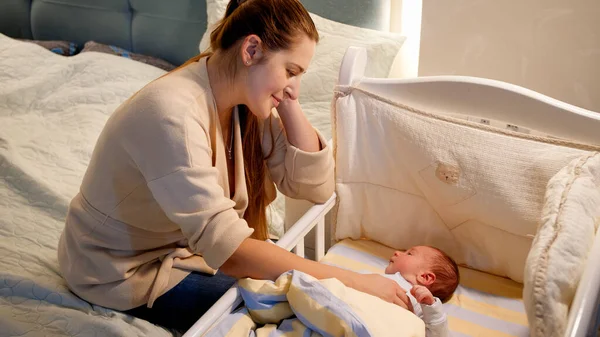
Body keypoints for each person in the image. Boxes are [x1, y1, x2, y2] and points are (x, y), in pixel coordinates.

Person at [57, 0, 412, 332]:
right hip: (123, 271)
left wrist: (288, 99)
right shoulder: (172, 115)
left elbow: (315, 187)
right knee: (301, 306)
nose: (293, 87)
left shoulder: (247, 103)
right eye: (291, 70)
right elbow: (231, 251)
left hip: (185, 250)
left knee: (312, 285)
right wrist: (354, 282)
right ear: (251, 50)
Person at [384, 246, 460, 337]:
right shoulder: (377, 277)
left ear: (425, 277)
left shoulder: (419, 301)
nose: (396, 252)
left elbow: (439, 335)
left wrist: (431, 307)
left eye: (409, 253)